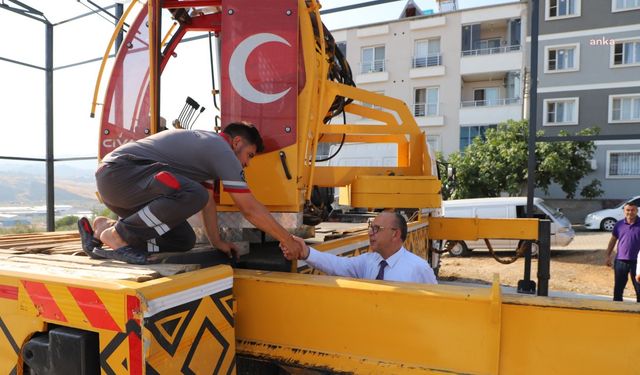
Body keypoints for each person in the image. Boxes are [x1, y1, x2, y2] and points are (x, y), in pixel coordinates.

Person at [78, 122, 302, 264]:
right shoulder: (221, 149)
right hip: (120, 174)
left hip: (124, 188)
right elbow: (249, 209)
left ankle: (103, 229)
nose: (247, 164)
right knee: (194, 193)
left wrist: (217, 242)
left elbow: (207, 205)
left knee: (182, 239)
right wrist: (287, 239)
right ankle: (118, 235)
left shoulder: (205, 154)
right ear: (237, 142)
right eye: (250, 155)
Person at [282, 212, 437, 284]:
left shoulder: (418, 269)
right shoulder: (369, 262)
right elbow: (338, 265)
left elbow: (436, 306)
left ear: (395, 234)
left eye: (377, 229)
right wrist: (306, 252)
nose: (370, 233)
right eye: (371, 227)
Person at [605, 201, 640, 302]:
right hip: (620, 261)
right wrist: (607, 255)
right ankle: (617, 314)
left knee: (639, 289)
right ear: (624, 211)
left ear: (637, 211)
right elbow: (612, 240)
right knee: (618, 289)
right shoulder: (619, 224)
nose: (630, 212)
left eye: (633, 210)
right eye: (628, 210)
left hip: (637, 263)